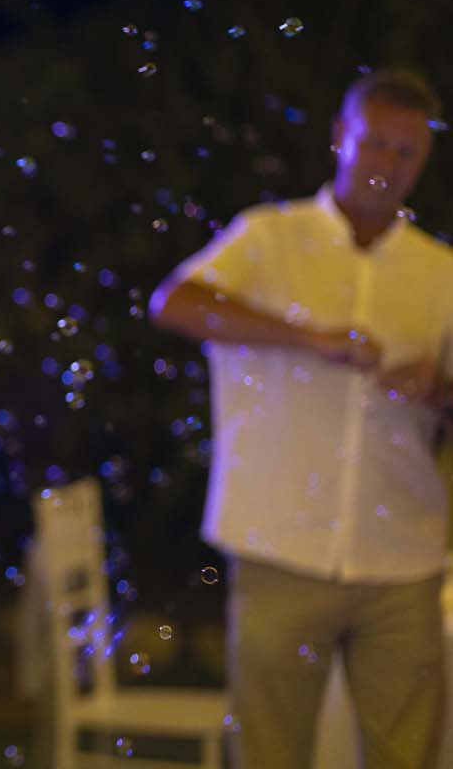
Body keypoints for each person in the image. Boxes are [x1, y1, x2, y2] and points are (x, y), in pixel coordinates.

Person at [149, 68, 453, 768]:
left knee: (407, 754)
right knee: (268, 753)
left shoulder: (438, 271)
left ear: (425, 158)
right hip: (279, 542)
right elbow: (176, 304)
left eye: (406, 152)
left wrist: (437, 388)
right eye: (375, 143)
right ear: (341, 136)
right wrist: (310, 337)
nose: (388, 164)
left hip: (402, 555)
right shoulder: (269, 238)